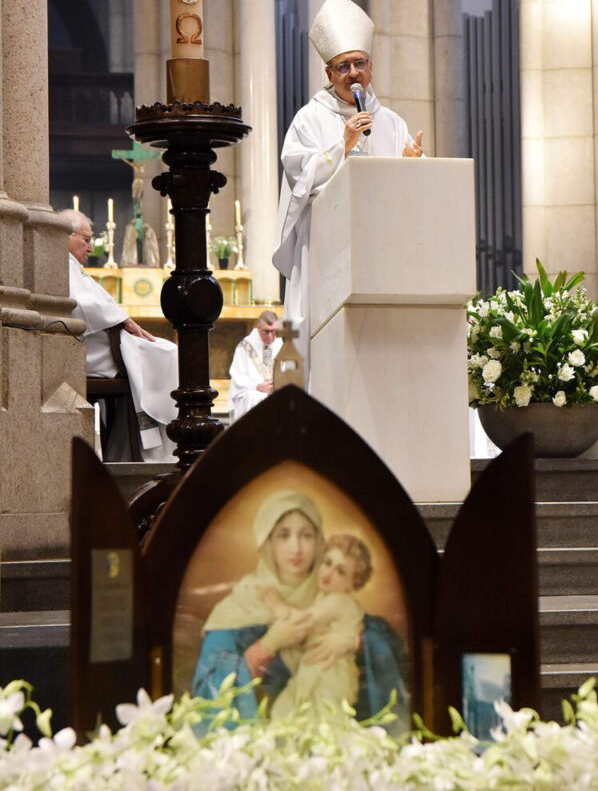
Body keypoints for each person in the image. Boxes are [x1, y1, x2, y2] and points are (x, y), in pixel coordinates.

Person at [273, 0, 424, 374]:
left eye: (359, 63)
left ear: (371, 68)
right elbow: (299, 178)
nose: (353, 73)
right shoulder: (308, 120)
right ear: (329, 73)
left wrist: (412, 165)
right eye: (343, 67)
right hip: (327, 250)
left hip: (381, 250)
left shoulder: (390, 121)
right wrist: (343, 145)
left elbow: (401, 192)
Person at [191, 489, 409, 726]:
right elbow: (208, 688)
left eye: (306, 535)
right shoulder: (242, 604)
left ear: (319, 542)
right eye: (284, 535)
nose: (296, 548)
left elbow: (395, 654)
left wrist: (355, 642)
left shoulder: (332, 595)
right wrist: (267, 645)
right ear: (268, 542)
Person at [61, 208, 178, 462]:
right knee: (168, 352)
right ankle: (158, 448)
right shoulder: (61, 265)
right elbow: (80, 305)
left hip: (98, 343)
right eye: (86, 239)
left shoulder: (71, 266)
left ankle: (160, 442)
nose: (90, 249)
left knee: (167, 351)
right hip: (91, 350)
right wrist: (122, 319)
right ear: (65, 235)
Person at [260, 533, 373, 718]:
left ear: (352, 584)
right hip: (314, 671)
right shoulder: (325, 598)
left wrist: (277, 605)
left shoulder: (340, 601)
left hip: (331, 676)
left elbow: (302, 621)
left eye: (341, 571)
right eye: (328, 563)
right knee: (286, 714)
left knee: (319, 723)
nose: (329, 573)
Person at [226, 310, 283, 421]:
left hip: (276, 391)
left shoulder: (281, 345)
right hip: (251, 391)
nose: (270, 336)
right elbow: (237, 375)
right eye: (266, 331)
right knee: (253, 398)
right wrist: (257, 386)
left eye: (274, 332)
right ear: (258, 328)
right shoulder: (245, 346)